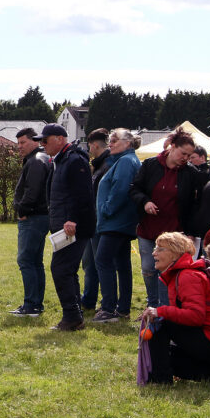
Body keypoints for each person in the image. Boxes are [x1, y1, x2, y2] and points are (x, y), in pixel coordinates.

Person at [142, 232, 210, 384]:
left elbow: (196, 316)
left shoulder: (187, 276)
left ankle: (161, 380)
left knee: (161, 325)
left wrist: (159, 311)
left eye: (160, 249)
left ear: (174, 254)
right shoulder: (179, 274)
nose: (154, 253)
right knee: (164, 353)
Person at [128, 126, 203, 308]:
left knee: (168, 270)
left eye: (189, 155)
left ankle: (166, 306)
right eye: (183, 154)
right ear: (172, 147)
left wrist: (190, 232)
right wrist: (145, 202)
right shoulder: (151, 165)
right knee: (148, 268)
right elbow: (134, 188)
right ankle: (152, 304)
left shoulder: (191, 173)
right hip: (148, 228)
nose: (185, 159)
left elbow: (195, 204)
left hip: (174, 232)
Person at [39, 123, 95, 331]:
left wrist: (72, 219)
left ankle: (72, 316)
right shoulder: (61, 160)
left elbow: (83, 195)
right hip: (64, 226)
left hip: (73, 227)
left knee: (61, 269)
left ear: (60, 139)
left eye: (45, 140)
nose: (42, 145)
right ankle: (74, 315)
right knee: (67, 270)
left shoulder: (74, 160)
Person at [91, 129, 142, 323]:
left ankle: (109, 308)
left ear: (127, 143)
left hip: (116, 222)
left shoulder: (127, 162)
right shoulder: (123, 161)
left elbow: (120, 189)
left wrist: (105, 210)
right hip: (119, 221)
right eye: (109, 140)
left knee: (103, 260)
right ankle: (122, 308)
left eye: (114, 140)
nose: (110, 144)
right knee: (122, 264)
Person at [9, 127, 52, 316]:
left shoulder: (35, 161)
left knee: (26, 259)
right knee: (35, 261)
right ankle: (35, 304)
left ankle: (31, 305)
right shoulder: (41, 158)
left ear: (35, 140)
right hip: (40, 216)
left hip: (33, 217)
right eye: (18, 143)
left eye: (23, 142)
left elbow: (32, 191)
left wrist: (23, 211)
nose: (19, 147)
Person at [81, 128, 111, 312]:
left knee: (99, 263)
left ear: (95, 144)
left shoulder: (106, 165)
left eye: (89, 145)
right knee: (89, 262)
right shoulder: (98, 165)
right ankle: (88, 299)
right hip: (92, 220)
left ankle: (105, 301)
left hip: (99, 221)